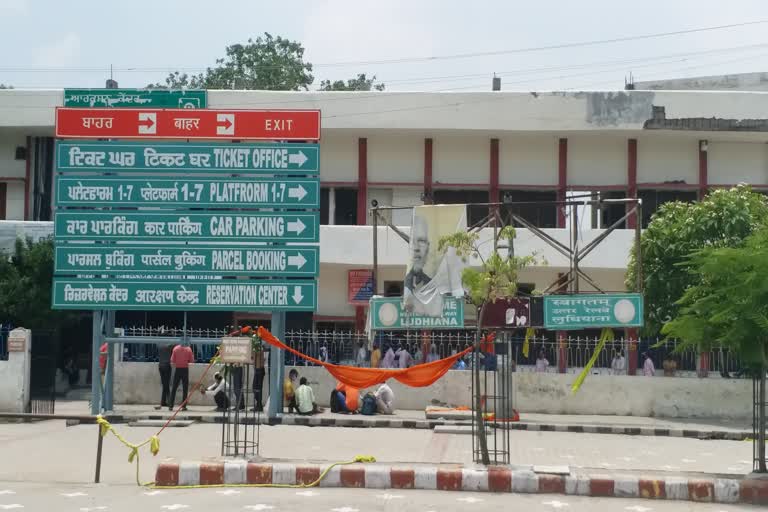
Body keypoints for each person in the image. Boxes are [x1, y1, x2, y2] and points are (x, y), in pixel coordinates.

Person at [168, 343, 194, 411]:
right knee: (185, 388)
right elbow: (191, 360)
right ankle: (184, 406)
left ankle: (171, 405)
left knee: (174, 388)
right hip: (185, 369)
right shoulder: (188, 349)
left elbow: (172, 360)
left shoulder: (175, 349)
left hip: (178, 369)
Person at [156, 344, 172, 411]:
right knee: (166, 385)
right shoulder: (169, 347)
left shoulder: (159, 347)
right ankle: (169, 402)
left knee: (164, 384)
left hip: (160, 366)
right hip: (166, 366)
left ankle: (163, 401)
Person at [252, 344, 266, 413]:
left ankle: (259, 406)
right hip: (257, 370)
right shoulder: (256, 349)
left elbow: (254, 356)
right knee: (255, 388)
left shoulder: (259, 348)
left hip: (260, 370)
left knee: (258, 389)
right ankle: (258, 404)